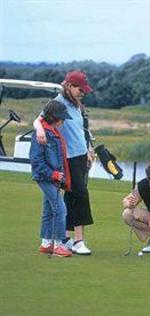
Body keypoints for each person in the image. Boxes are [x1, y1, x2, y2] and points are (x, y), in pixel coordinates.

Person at [33, 70, 95, 255]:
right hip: (67, 157)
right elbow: (38, 120)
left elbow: (80, 129)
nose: (82, 92)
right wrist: (40, 131)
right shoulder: (58, 102)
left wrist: (88, 150)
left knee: (71, 196)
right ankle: (78, 241)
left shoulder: (77, 104)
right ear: (68, 86)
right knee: (80, 195)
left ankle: (66, 238)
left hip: (80, 155)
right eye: (79, 89)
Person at [29, 100, 73, 257]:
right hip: (45, 177)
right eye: (62, 117)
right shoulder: (42, 134)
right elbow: (36, 160)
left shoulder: (52, 131)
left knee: (48, 209)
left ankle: (46, 243)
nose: (64, 120)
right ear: (54, 117)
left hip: (52, 177)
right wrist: (53, 174)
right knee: (60, 209)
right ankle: (58, 244)